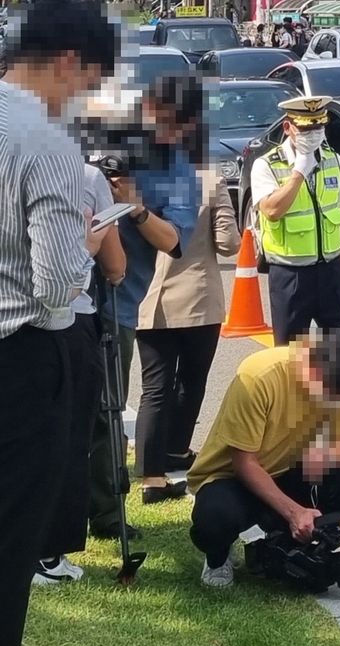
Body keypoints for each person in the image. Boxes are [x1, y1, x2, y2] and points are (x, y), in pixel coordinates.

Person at [0, 3, 119, 646]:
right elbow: (55, 285)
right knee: (10, 551)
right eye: (91, 80)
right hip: (20, 363)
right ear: (71, 60)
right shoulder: (45, 143)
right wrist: (83, 240)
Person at [89, 72, 202, 540]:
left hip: (117, 304)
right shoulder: (92, 141)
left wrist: (135, 208)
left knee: (107, 410)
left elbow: (174, 241)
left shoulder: (178, 171)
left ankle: (106, 515)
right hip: (57, 296)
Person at [188, 328, 340, 587]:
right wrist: (294, 512)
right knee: (216, 520)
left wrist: (323, 518)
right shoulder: (259, 376)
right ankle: (217, 558)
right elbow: (244, 463)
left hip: (286, 470)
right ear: (314, 371)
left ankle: (288, 545)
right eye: (336, 396)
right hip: (232, 476)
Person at [33, 162, 127, 586]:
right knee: (68, 440)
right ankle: (47, 555)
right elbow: (115, 267)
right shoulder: (84, 178)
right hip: (65, 321)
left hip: (11, 323)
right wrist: (90, 247)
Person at [134, 169, 240, 504]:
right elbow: (228, 243)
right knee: (192, 381)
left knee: (154, 387)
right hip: (198, 298)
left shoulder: (134, 178)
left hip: (148, 297)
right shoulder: (209, 179)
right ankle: (177, 450)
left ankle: (151, 477)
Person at [252, 95, 340, 346]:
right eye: (306, 128)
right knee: (290, 357)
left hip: (330, 270)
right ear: (288, 128)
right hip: (291, 274)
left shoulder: (331, 158)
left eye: (319, 126)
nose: (314, 133)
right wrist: (298, 172)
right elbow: (271, 210)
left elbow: (339, 212)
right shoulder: (266, 165)